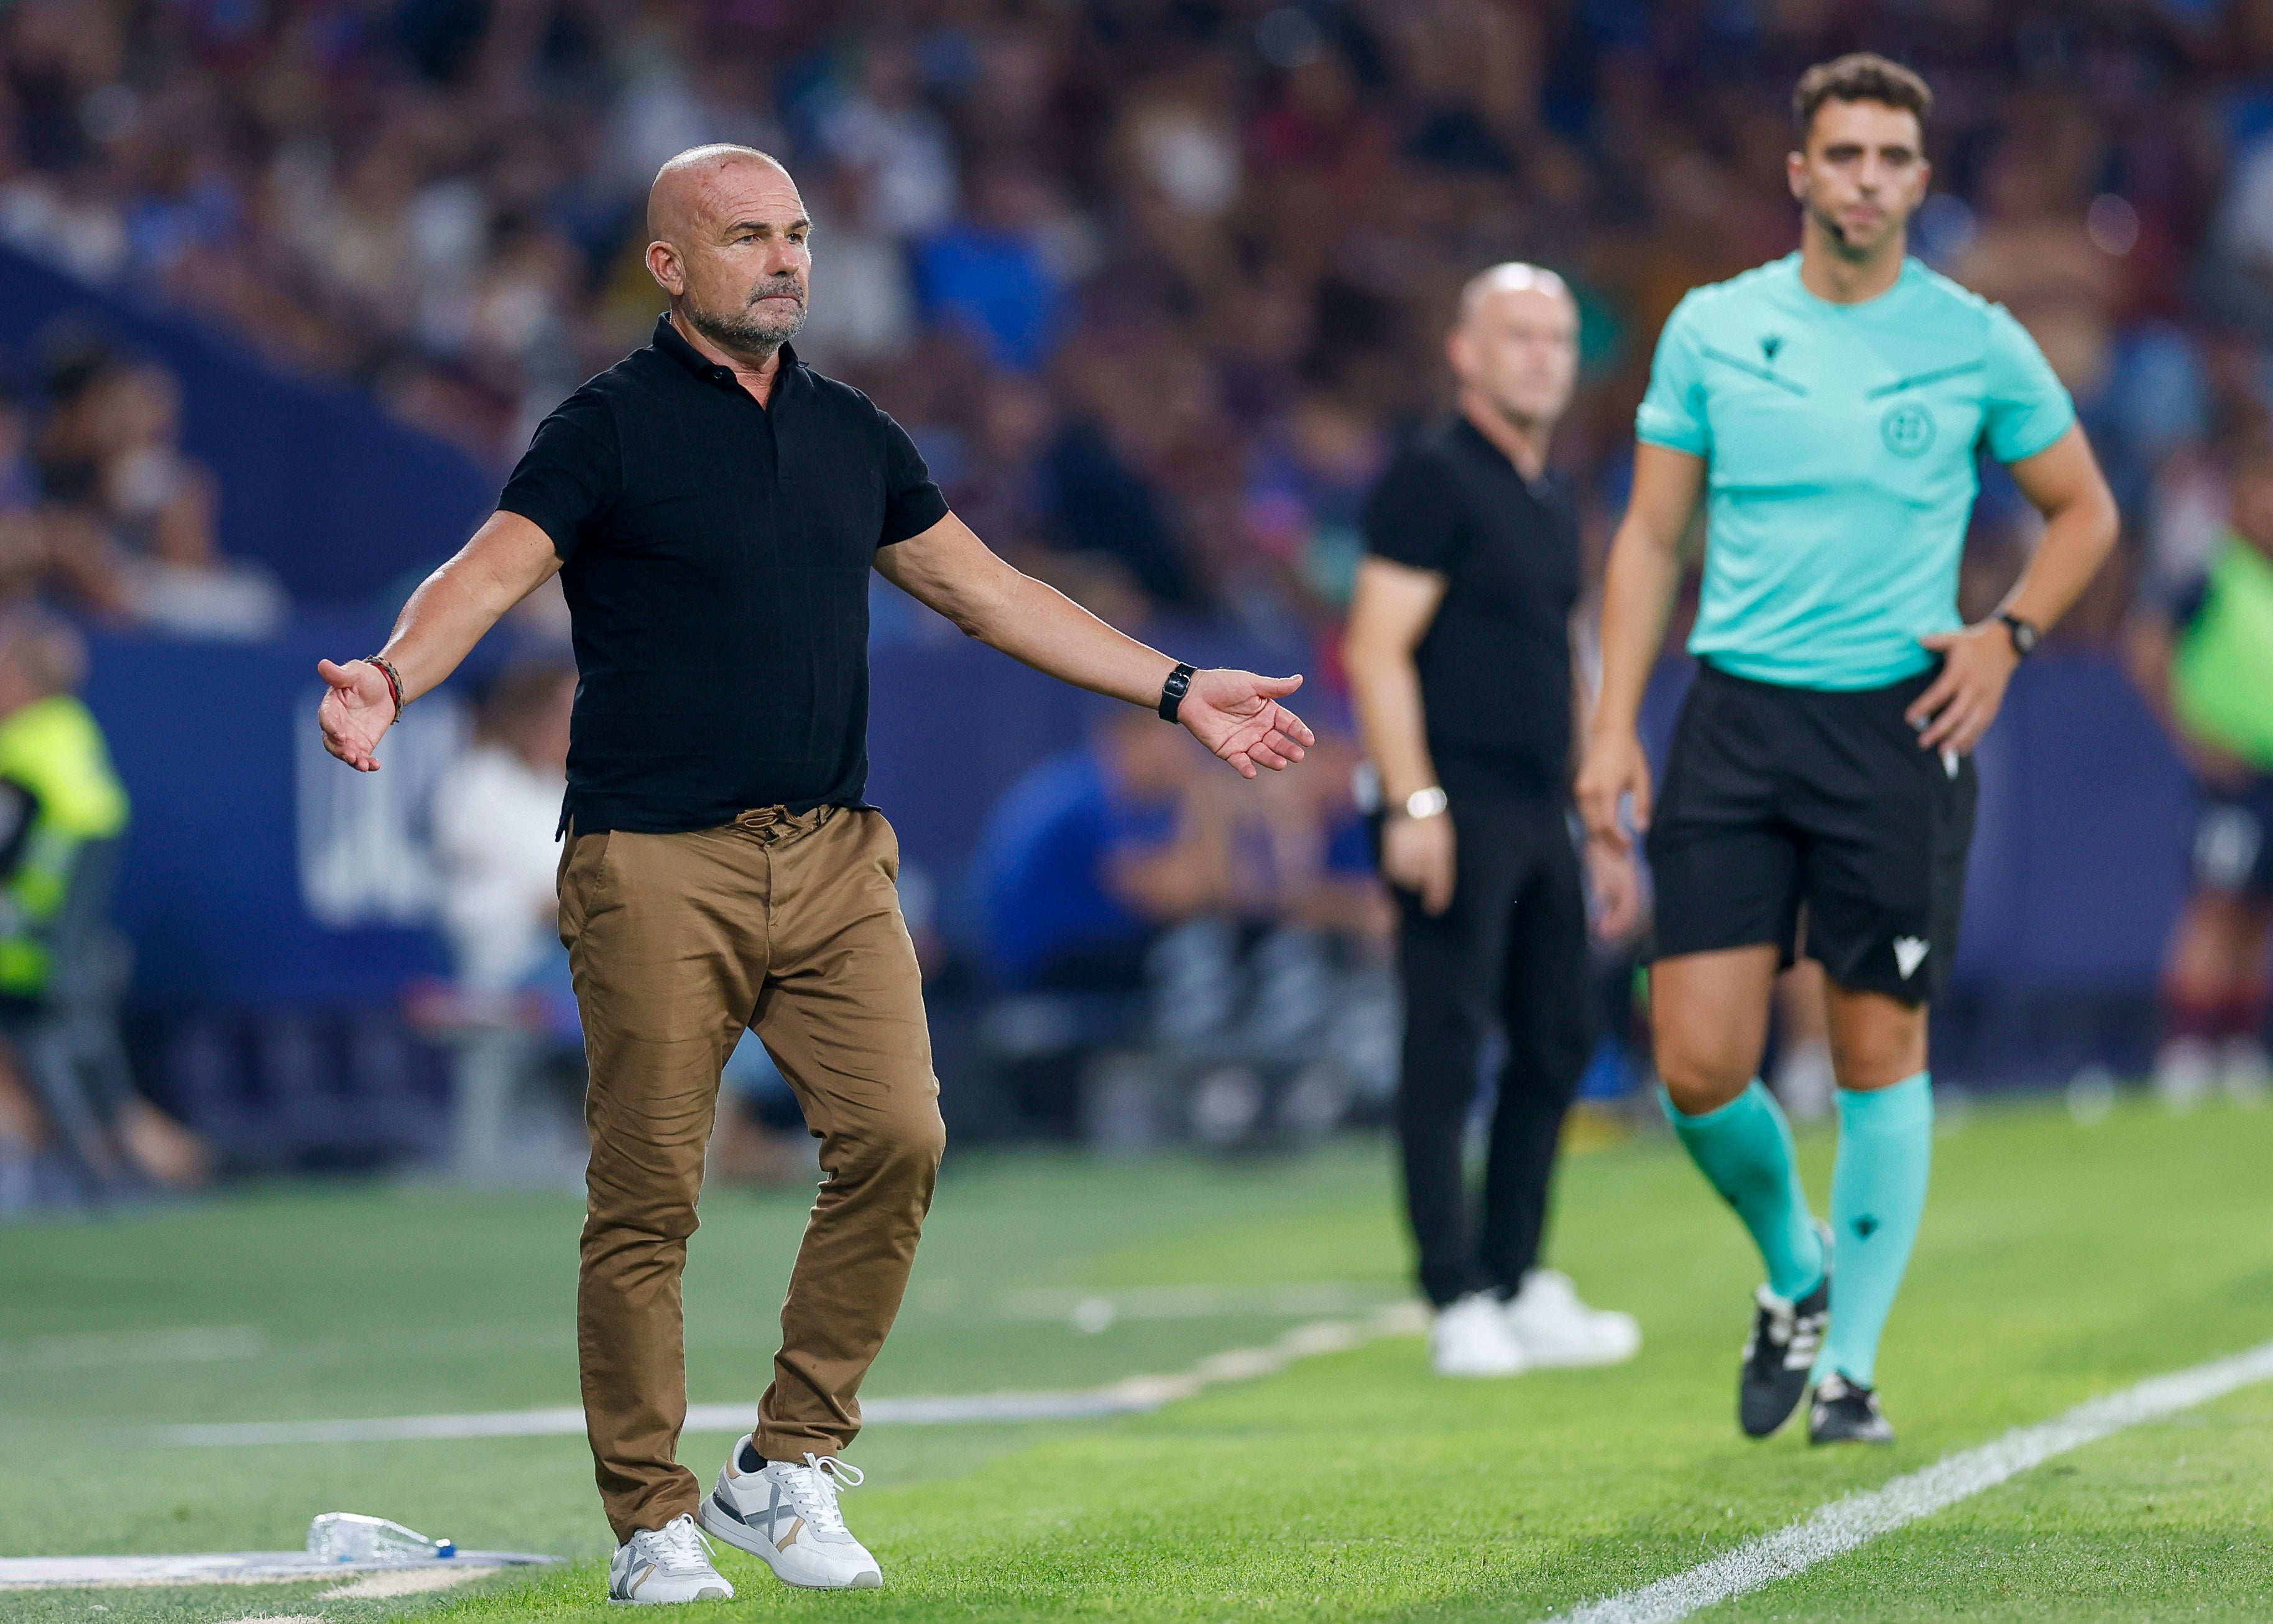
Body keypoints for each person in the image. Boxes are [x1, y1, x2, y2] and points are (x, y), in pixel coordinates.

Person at [316, 144, 1312, 1604]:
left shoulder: (855, 432)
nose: (783, 261)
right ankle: (652, 1520)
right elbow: (489, 567)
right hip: (653, 862)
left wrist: (1177, 689)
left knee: (902, 1137)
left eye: (795, 235)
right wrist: (394, 680)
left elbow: (991, 590)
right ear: (668, 266)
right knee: (651, 1199)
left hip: (836, 855)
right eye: (742, 239)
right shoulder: (603, 428)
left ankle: (783, 1464)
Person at [1576, 56, 2118, 1446]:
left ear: (1919, 184)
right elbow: (1648, 536)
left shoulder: (1976, 338)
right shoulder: (1711, 327)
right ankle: (1797, 1268)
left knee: (1881, 1054)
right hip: (1736, 715)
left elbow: (2082, 512)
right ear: (1800, 174)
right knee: (1695, 1063)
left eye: (1893, 156)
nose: (1868, 177)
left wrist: (2005, 635)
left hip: (1898, 720)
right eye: (1845, 153)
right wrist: (1607, 724)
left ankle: (1853, 1373)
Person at [1344, 264, 1643, 1380]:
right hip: (1452, 797)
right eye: (1514, 335)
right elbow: (1376, 647)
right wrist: (1413, 799)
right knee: (1447, 1040)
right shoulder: (1430, 476)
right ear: (1464, 352)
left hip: (1535, 805)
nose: (1539, 356)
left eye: (1557, 337)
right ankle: (1453, 1291)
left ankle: (1515, 1274)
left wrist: (1601, 818)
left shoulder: (1549, 488)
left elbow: (1564, 651)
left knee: (1560, 1033)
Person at [2129, 425, 2273, 1107]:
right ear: (2237, 498)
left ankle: (2238, 1044)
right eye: (2261, 489)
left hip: (2269, 775)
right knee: (2213, 908)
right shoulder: (2208, 573)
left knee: (2257, 914)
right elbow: (2146, 644)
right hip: (2230, 776)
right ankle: (2184, 1048)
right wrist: (2193, 734)